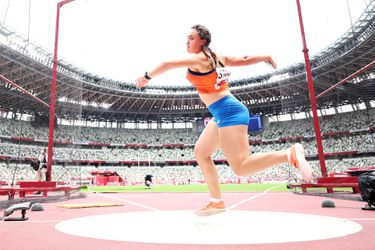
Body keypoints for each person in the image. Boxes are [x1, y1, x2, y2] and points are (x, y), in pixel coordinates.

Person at [135, 24, 313, 216]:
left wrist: (146, 77)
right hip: (222, 112)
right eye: (187, 38)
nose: (187, 41)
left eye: (191, 38)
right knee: (201, 152)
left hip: (229, 111)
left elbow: (168, 63)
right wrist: (265, 57)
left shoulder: (198, 59)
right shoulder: (217, 57)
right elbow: (243, 60)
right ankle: (216, 201)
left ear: (202, 41)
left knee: (241, 167)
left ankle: (289, 153)